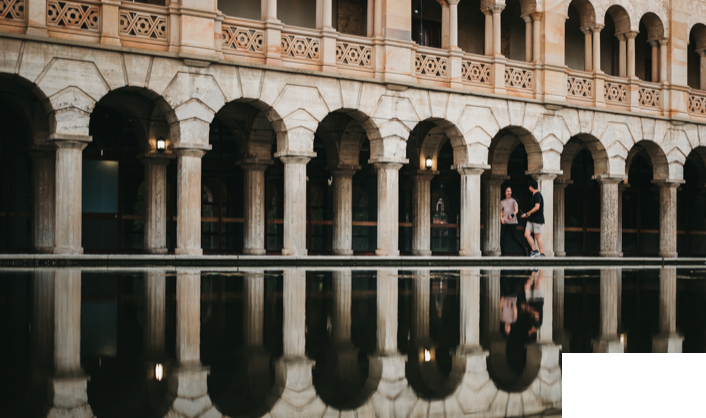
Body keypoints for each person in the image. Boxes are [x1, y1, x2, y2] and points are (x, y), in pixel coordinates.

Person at [500, 187, 528, 256]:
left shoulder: (514, 201)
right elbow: (502, 211)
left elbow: (516, 210)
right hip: (505, 222)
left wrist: (512, 215)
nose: (509, 192)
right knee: (502, 238)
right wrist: (501, 218)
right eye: (507, 191)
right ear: (505, 193)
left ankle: (524, 249)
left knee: (514, 238)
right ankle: (503, 254)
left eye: (510, 191)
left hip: (513, 222)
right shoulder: (502, 202)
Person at [521, 179, 545, 257]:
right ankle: (534, 250)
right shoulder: (534, 195)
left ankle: (541, 253)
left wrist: (527, 213)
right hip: (531, 219)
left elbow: (537, 207)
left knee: (538, 236)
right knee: (527, 234)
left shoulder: (537, 195)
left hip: (537, 219)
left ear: (531, 187)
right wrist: (528, 215)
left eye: (529, 187)